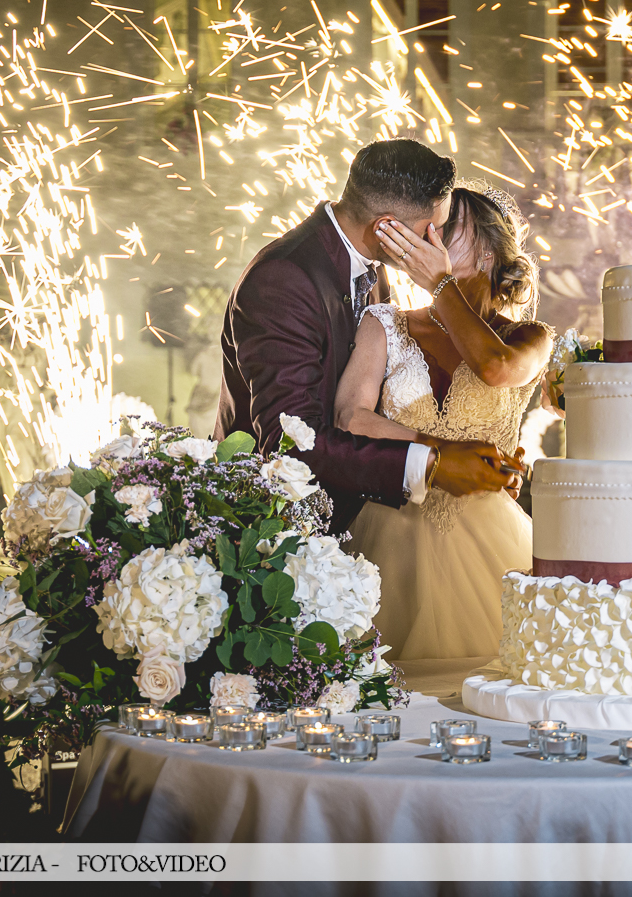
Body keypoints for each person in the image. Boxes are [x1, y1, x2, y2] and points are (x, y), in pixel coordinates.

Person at [213, 140, 516, 540]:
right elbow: (293, 441)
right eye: (433, 229)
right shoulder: (283, 280)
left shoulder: (373, 267)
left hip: (350, 526)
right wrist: (432, 464)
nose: (437, 243)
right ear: (385, 227)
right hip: (269, 534)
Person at [337, 184, 554, 660]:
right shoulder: (385, 323)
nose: (430, 238)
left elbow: (495, 368)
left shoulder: (527, 337)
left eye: (449, 229)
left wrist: (441, 286)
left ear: (491, 250)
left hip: (489, 547)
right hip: (385, 542)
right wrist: (439, 452)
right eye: (428, 229)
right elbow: (351, 419)